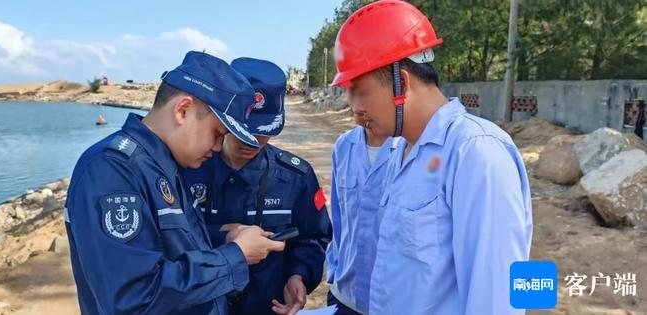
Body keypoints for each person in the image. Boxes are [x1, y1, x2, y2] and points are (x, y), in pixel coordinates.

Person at [330, 1, 533, 314]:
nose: (354, 109)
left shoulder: (476, 152)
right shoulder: (402, 152)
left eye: (359, 90)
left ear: (403, 83)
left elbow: (497, 298)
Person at [64, 51, 285, 315]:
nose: (217, 147)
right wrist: (235, 256)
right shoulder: (112, 172)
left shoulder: (165, 166)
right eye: (217, 133)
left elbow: (168, 245)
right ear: (183, 110)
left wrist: (224, 237)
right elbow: (133, 298)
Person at [184, 57, 331, 315]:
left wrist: (299, 276)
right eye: (242, 129)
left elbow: (313, 237)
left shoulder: (296, 177)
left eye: (261, 132)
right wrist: (222, 236)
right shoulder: (186, 170)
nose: (251, 141)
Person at [325, 102, 396, 314]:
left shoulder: (412, 150)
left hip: (391, 303)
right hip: (345, 296)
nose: (357, 100)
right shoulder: (344, 146)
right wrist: (334, 269)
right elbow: (338, 220)